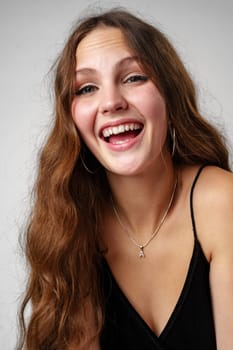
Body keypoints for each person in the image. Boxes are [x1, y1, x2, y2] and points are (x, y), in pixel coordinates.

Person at [18, 8, 233, 350]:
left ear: (169, 95)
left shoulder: (220, 201)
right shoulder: (71, 224)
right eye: (87, 88)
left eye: (133, 77)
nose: (111, 102)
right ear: (71, 119)